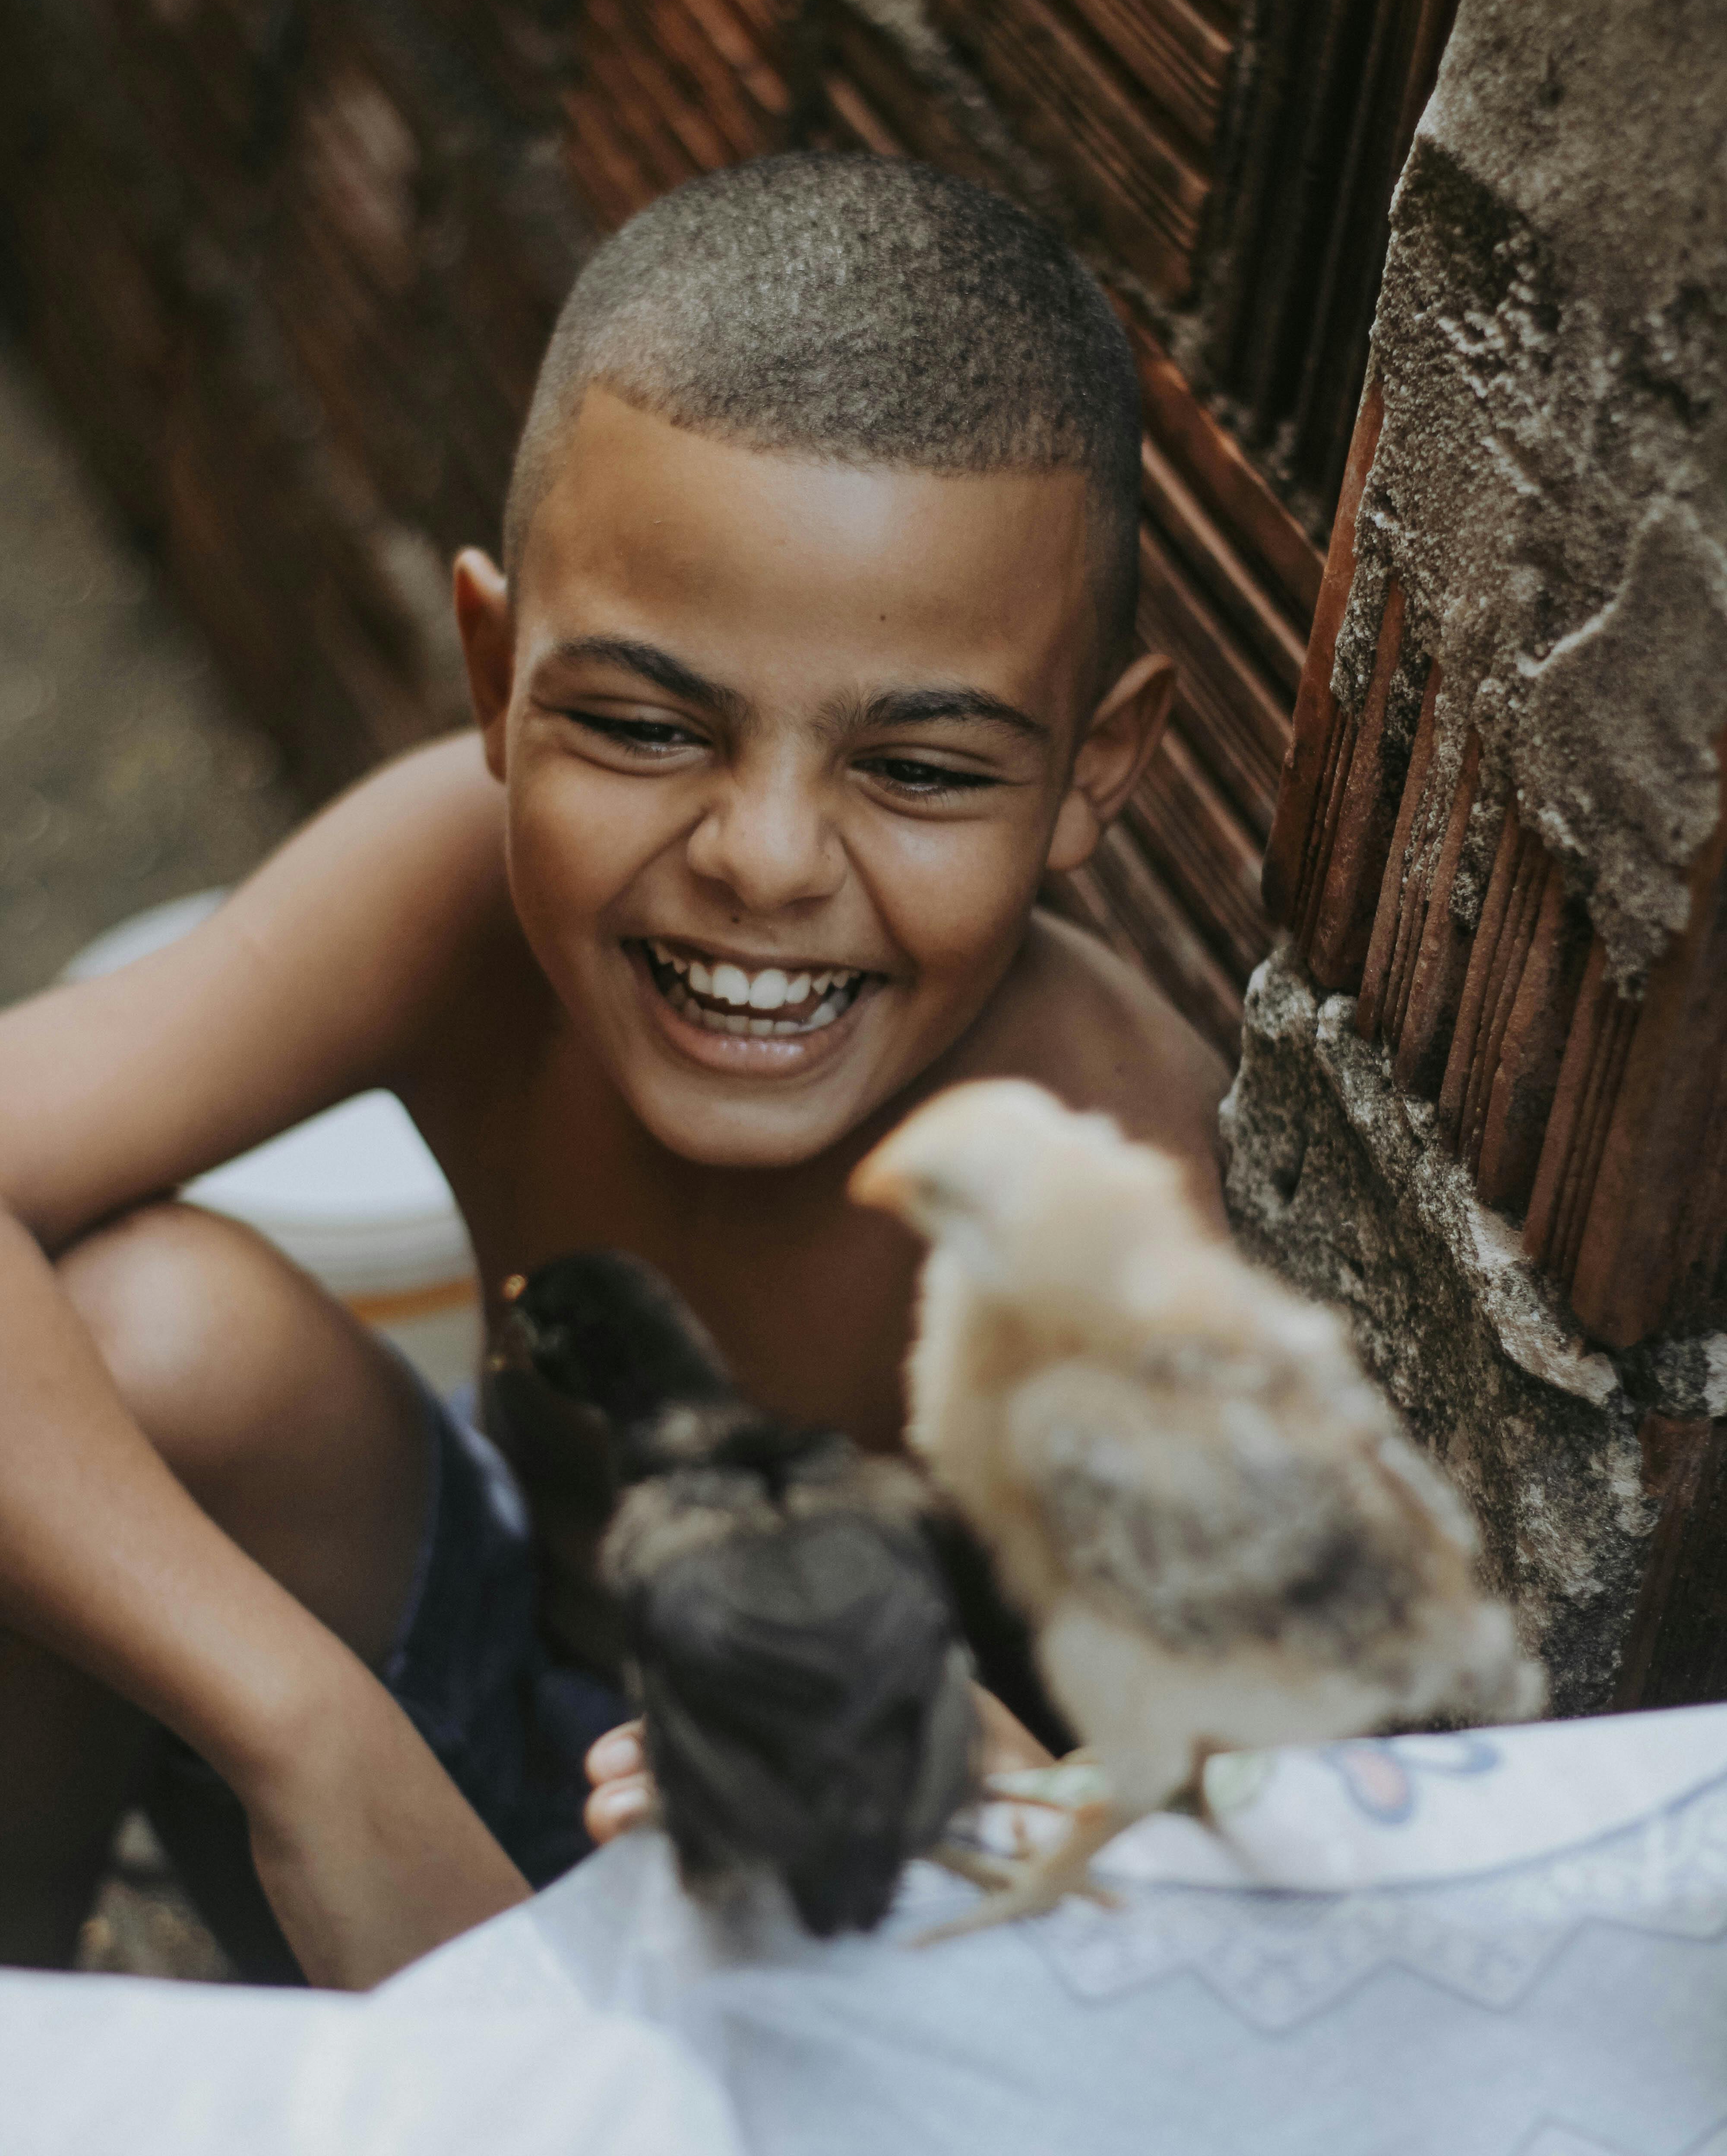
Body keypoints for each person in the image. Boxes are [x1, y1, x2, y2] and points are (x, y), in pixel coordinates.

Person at [0, 155, 1229, 1989]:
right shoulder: (444, 887)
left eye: (921, 769)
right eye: (648, 726)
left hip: (871, 1924)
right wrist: (307, 1738)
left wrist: (1005, 1800)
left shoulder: (1095, 1167)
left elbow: (1259, 1903)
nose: (764, 859)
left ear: (1094, 772)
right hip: (447, 1812)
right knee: (143, 1336)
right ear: (495, 672)